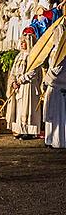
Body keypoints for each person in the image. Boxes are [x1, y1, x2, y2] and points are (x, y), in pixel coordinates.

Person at [5, 28, 41, 139]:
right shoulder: (19, 56)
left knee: (28, 108)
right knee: (20, 108)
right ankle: (20, 129)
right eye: (21, 41)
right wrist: (13, 82)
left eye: (24, 41)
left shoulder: (34, 55)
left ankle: (29, 131)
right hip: (19, 87)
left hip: (28, 86)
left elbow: (33, 72)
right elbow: (14, 71)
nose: (22, 44)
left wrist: (21, 80)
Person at [43, 18, 66, 149]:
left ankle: (60, 141)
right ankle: (50, 139)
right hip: (53, 87)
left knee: (59, 116)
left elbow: (58, 70)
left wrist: (47, 78)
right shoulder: (54, 51)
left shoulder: (63, 52)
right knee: (51, 115)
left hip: (59, 86)